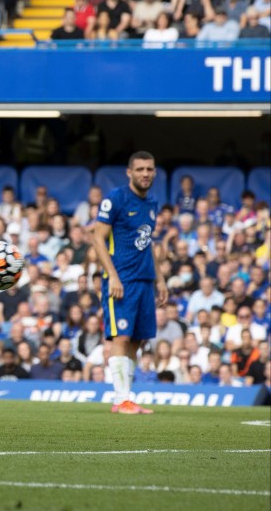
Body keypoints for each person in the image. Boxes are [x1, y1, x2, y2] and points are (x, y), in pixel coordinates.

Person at [91, 151, 167, 414]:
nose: (145, 173)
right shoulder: (116, 198)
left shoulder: (152, 203)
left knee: (137, 340)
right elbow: (97, 237)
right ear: (129, 172)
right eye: (140, 169)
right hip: (121, 280)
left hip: (145, 280)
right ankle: (119, 399)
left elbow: (148, 244)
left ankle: (127, 397)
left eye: (150, 169)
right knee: (121, 337)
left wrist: (160, 278)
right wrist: (112, 274)